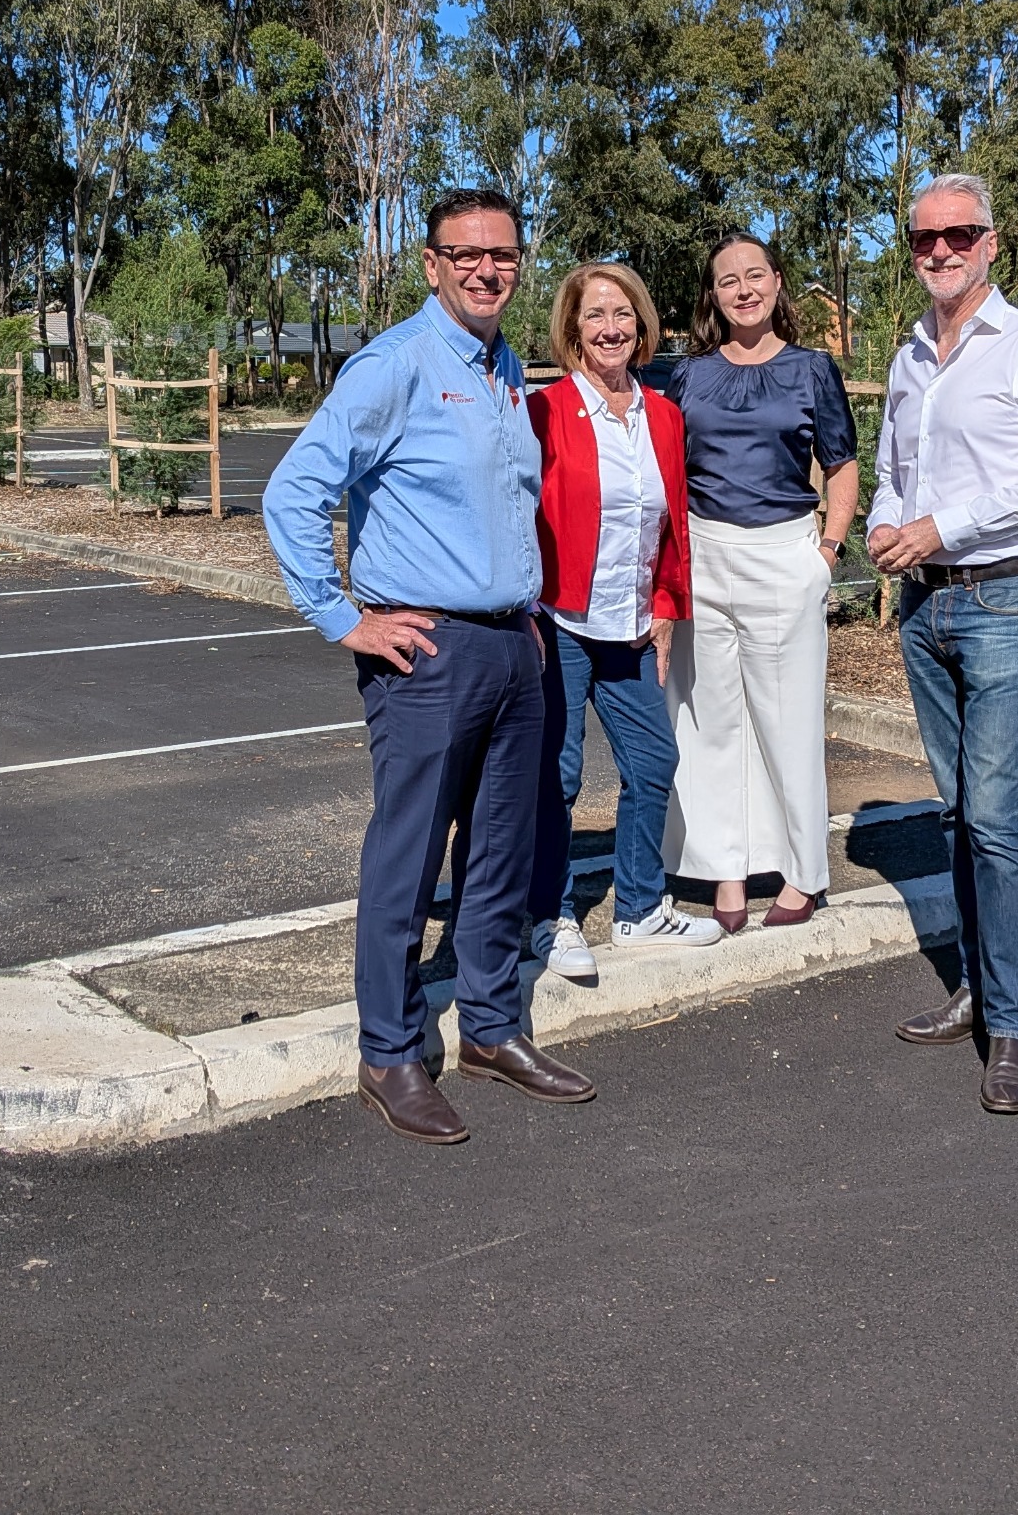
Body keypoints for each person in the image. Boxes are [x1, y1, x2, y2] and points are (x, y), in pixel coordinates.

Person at [261, 186, 596, 1146]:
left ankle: (491, 1028)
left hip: (509, 645)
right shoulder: (397, 367)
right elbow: (295, 495)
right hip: (426, 652)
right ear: (432, 263)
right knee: (407, 859)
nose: (487, 270)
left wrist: (524, 614)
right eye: (466, 255)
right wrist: (340, 618)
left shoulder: (502, 371)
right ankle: (389, 1052)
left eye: (503, 255)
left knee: (500, 854)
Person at [865, 173, 1018, 1116]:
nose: (942, 251)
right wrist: (887, 527)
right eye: (925, 239)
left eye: (959, 234)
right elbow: (890, 471)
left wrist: (943, 527)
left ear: (992, 242)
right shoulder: (913, 354)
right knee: (959, 814)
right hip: (926, 608)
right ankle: (974, 989)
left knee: (998, 822)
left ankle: (1014, 1028)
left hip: (1004, 603)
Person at [526, 263, 721, 984]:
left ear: (642, 327)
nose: (611, 328)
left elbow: (674, 523)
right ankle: (548, 914)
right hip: (561, 618)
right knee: (558, 775)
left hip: (633, 624)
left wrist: (668, 607)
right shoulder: (543, 411)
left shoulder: (663, 416)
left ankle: (639, 910)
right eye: (595, 315)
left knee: (653, 765)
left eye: (623, 315)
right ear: (573, 331)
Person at [665, 234, 860, 934]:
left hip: (785, 556)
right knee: (710, 722)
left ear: (777, 283)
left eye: (755, 275)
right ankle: (726, 871)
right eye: (727, 280)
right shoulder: (688, 376)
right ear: (712, 296)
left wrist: (827, 551)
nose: (742, 289)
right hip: (705, 556)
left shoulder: (812, 370)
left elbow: (840, 466)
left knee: (788, 720)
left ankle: (803, 874)